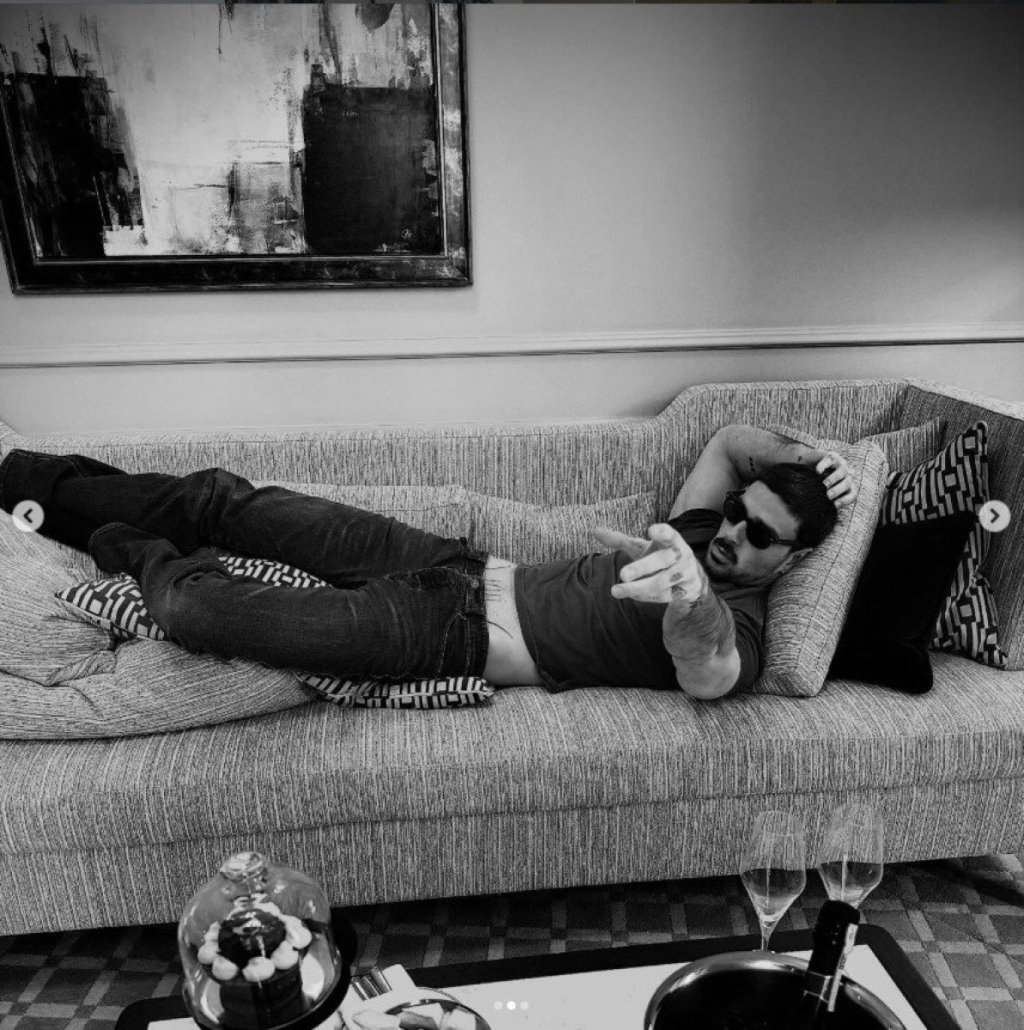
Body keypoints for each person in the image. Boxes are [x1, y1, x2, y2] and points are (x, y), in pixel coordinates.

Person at [0, 424, 856, 703]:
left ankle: (122, 548)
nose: (731, 534)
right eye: (738, 512)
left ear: (794, 562)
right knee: (233, 502)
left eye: (759, 535)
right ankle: (32, 486)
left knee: (197, 612)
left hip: (450, 635)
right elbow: (728, 441)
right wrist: (817, 459)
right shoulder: (703, 528)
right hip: (456, 564)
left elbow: (708, 674)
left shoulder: (739, 626)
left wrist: (692, 594)